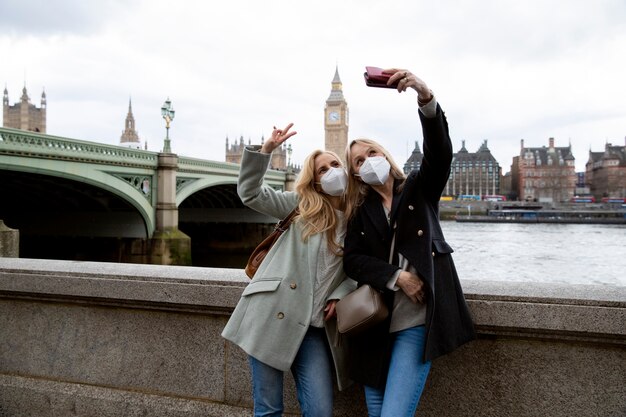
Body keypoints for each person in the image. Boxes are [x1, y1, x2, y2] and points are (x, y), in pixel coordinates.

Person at [342, 68, 476, 417]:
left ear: (384, 155)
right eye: (358, 161)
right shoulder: (360, 210)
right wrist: (397, 276)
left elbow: (440, 153)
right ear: (356, 173)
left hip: (415, 321)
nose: (367, 161)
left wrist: (424, 96)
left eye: (371, 152)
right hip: (373, 322)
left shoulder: (419, 188)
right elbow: (352, 260)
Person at [221, 123, 355, 417]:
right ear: (315, 181)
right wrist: (266, 151)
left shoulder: (357, 221)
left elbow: (360, 269)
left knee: (319, 412)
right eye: (322, 169)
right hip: (273, 314)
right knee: (268, 410)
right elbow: (251, 193)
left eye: (335, 164)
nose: (332, 171)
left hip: (315, 328)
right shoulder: (300, 207)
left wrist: (343, 291)